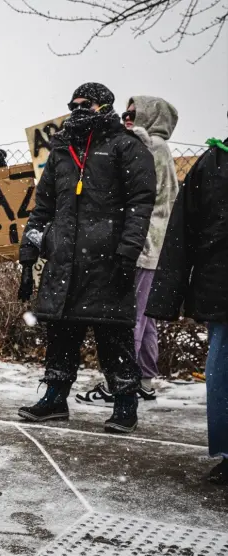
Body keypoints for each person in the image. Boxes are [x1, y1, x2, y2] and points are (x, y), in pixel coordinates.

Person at [17, 83, 156, 433]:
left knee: (113, 335)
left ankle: (125, 403)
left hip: (108, 260)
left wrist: (127, 252)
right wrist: (28, 253)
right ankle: (54, 398)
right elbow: (43, 207)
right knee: (61, 333)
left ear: (104, 106)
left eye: (86, 104)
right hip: (64, 259)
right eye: (73, 104)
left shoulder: (126, 146)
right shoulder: (61, 149)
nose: (78, 109)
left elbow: (140, 204)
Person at [76, 96, 178, 406]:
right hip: (152, 242)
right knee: (144, 317)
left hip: (142, 242)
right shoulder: (158, 147)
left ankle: (120, 383)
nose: (127, 117)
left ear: (151, 116)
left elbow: (144, 196)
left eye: (134, 113)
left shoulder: (150, 146)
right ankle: (144, 379)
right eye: (126, 112)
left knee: (128, 317)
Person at [147, 123, 228, 484]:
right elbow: (183, 231)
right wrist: (167, 295)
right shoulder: (213, 163)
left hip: (219, 283)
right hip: (221, 286)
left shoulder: (213, 162)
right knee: (223, 369)